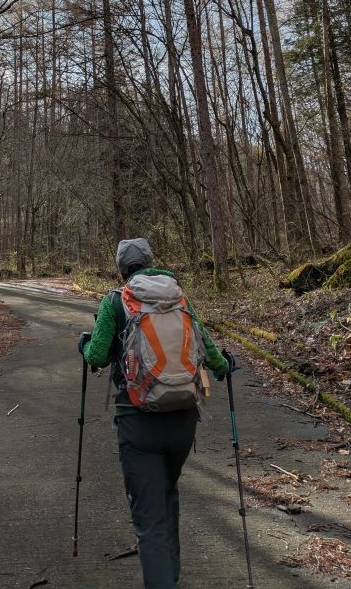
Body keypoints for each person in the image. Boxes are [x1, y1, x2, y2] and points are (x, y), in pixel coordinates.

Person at [78, 238, 236, 589]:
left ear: (122, 269)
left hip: (138, 423)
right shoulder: (179, 299)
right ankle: (172, 573)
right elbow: (210, 353)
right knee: (167, 493)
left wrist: (84, 344)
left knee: (149, 520)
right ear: (152, 262)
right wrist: (226, 366)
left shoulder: (116, 302)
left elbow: (97, 356)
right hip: (183, 420)